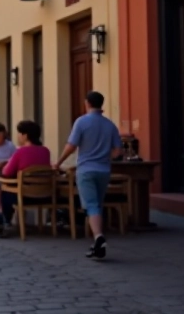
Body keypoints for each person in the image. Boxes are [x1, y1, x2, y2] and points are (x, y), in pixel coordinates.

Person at [54, 91, 122, 259]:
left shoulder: (81, 122)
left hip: (86, 170)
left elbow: (71, 146)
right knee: (97, 204)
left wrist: (58, 162)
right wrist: (106, 156)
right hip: (104, 170)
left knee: (91, 205)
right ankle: (95, 243)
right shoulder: (110, 125)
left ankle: (99, 237)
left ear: (87, 103)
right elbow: (117, 151)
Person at [0, 120, 52, 238]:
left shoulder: (20, 152)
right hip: (44, 195)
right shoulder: (45, 151)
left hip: (23, 195)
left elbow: (6, 172)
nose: (18, 136)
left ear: (25, 135)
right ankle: (1, 219)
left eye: (19, 133)